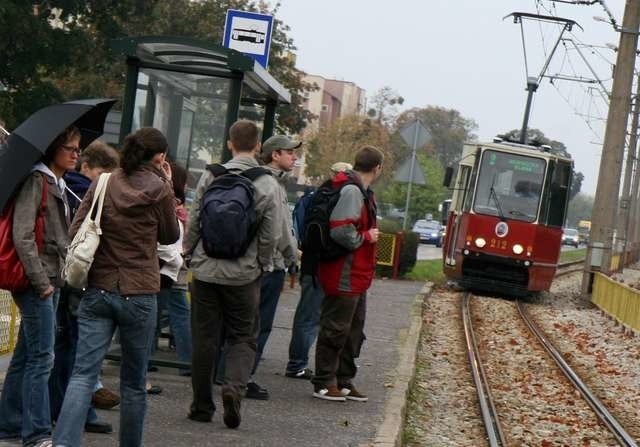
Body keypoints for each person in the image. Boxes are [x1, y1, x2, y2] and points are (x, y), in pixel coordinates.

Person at [53, 127, 179, 447]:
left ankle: (65, 443)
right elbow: (169, 236)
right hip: (139, 292)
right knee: (134, 384)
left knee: (83, 375)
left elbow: (76, 228)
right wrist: (167, 184)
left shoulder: (104, 181)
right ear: (160, 157)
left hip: (98, 289)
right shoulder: (160, 189)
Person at [185, 120, 280, 428]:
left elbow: (196, 218)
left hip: (207, 270)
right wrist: (262, 264)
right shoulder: (267, 183)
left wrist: (189, 253)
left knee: (204, 339)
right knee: (243, 337)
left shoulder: (211, 175)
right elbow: (271, 233)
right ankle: (233, 389)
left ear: (229, 144)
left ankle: (201, 406)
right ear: (257, 147)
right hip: (244, 275)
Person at [0, 126, 79, 447]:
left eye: (79, 149)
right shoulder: (37, 181)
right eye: (70, 148)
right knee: (42, 358)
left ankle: (8, 423)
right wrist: (41, 282)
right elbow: (23, 235)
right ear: (52, 149)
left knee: (26, 355)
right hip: (39, 281)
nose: (76, 154)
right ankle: (36, 433)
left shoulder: (55, 182)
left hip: (50, 278)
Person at [217, 135, 299, 399]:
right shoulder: (271, 183)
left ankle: (222, 371)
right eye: (290, 153)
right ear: (275, 155)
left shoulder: (255, 178)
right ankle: (244, 376)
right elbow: (280, 228)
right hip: (269, 264)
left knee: (236, 322)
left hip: (244, 260)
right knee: (257, 325)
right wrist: (292, 256)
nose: (294, 157)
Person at [48, 141, 120, 436]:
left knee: (64, 346)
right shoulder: (83, 190)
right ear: (88, 168)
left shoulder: (67, 186)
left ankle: (59, 408)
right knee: (78, 352)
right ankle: (78, 412)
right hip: (84, 280)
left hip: (68, 275)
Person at [311, 146, 382, 402]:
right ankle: (324, 381)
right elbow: (340, 231)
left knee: (353, 330)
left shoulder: (363, 192)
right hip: (344, 272)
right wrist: (366, 237)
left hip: (357, 274)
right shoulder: (353, 192)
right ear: (377, 168)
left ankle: (343, 379)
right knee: (335, 328)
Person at [285, 162, 352, 380]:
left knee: (307, 315)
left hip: (311, 264)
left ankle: (298, 363)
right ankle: (299, 365)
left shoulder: (313, 197)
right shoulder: (342, 200)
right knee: (321, 318)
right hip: (331, 266)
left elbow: (299, 227)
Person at [149, 162, 192, 378]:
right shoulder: (177, 207)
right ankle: (186, 361)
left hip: (163, 266)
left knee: (154, 313)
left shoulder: (160, 199)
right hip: (172, 267)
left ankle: (148, 357)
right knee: (178, 312)